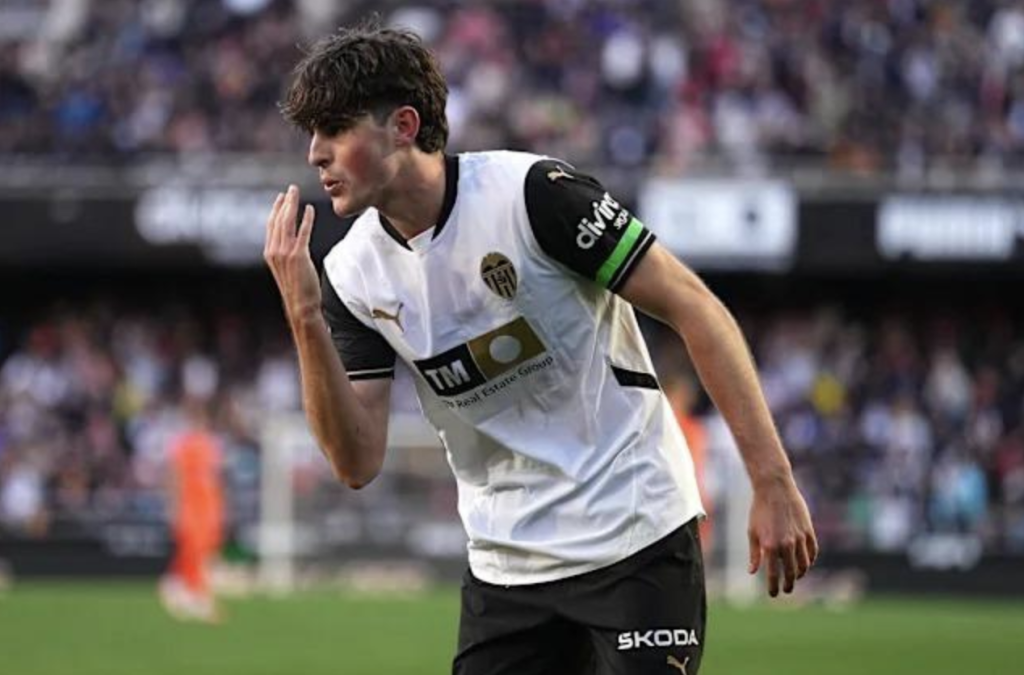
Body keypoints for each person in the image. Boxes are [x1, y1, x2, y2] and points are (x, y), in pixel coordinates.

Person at [264, 23, 817, 675]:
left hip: (633, 535)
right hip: (506, 567)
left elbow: (695, 306)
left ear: (404, 126)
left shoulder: (533, 195)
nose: (315, 154)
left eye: (334, 129)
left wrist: (771, 479)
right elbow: (356, 461)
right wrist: (304, 317)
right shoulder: (352, 274)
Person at [159, 397, 225, 623]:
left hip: (208, 506)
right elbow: (174, 476)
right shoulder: (182, 445)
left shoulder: (211, 445)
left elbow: (215, 479)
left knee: (204, 549)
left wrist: (219, 506)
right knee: (192, 548)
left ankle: (178, 586)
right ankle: (199, 595)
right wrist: (174, 505)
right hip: (190, 504)